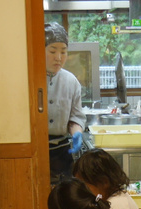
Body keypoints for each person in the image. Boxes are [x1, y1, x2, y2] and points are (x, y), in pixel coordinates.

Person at [44, 22, 85, 185]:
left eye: (63, 51)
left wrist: (77, 133)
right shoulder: (28, 78)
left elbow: (76, 116)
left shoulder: (71, 81)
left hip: (61, 153)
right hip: (34, 150)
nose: (59, 57)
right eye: (52, 51)